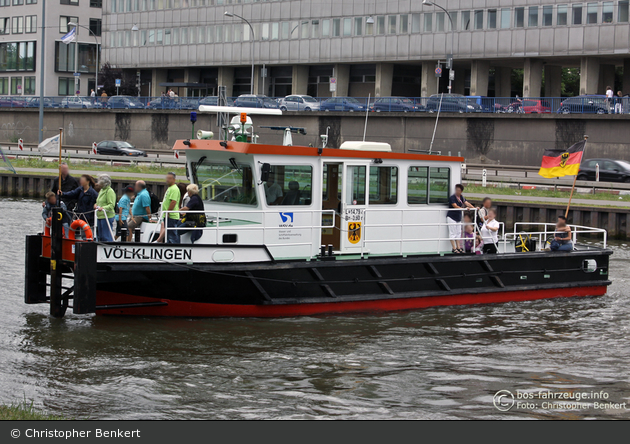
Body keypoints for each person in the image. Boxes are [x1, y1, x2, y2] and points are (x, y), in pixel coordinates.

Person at [446, 184, 474, 253]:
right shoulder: (452, 197)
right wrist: (463, 208)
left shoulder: (461, 197)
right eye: (456, 190)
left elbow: (467, 203)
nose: (457, 191)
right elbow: (455, 206)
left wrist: (474, 208)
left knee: (458, 232)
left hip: (458, 217)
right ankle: (454, 248)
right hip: (451, 217)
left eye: (459, 190)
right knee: (452, 232)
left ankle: (459, 247)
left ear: (461, 191)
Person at [155, 172, 180, 244]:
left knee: (172, 235)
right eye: (167, 178)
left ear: (174, 180)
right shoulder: (170, 188)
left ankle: (174, 247)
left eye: (169, 178)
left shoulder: (174, 189)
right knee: (169, 234)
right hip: (168, 215)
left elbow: (173, 202)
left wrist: (168, 212)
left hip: (171, 216)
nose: (167, 180)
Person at [94, 174, 116, 242]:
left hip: (107, 216)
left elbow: (111, 205)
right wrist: (96, 204)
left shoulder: (109, 191)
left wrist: (102, 208)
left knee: (106, 236)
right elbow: (98, 201)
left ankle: (108, 248)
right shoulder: (101, 190)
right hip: (99, 216)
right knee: (100, 236)